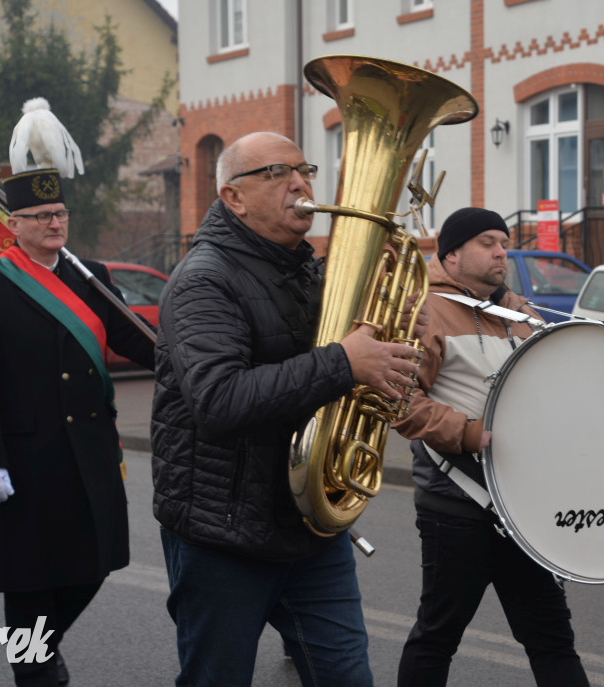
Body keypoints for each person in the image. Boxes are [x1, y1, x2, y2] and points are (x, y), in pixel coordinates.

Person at [151, 131, 423, 687]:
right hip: (223, 533)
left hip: (308, 527)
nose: (299, 183)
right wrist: (344, 362)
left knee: (348, 678)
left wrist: (384, 342)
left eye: (304, 170)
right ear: (233, 197)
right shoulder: (202, 280)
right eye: (276, 173)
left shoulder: (309, 271)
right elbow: (219, 401)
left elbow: (336, 371)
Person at [0, 163, 156, 686]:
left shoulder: (91, 276)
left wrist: (193, 358)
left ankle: (41, 648)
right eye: (41, 215)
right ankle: (35, 668)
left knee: (96, 562)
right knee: (31, 579)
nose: (54, 223)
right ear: (13, 223)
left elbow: (136, 342)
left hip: (91, 450)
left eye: (60, 213)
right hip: (27, 458)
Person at [392, 207, 591, 687]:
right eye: (487, 242)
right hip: (457, 504)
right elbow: (397, 399)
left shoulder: (520, 312)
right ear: (452, 254)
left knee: (551, 639)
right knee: (438, 636)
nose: (501, 252)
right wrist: (466, 432)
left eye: (503, 242)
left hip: (521, 506)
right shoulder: (425, 311)